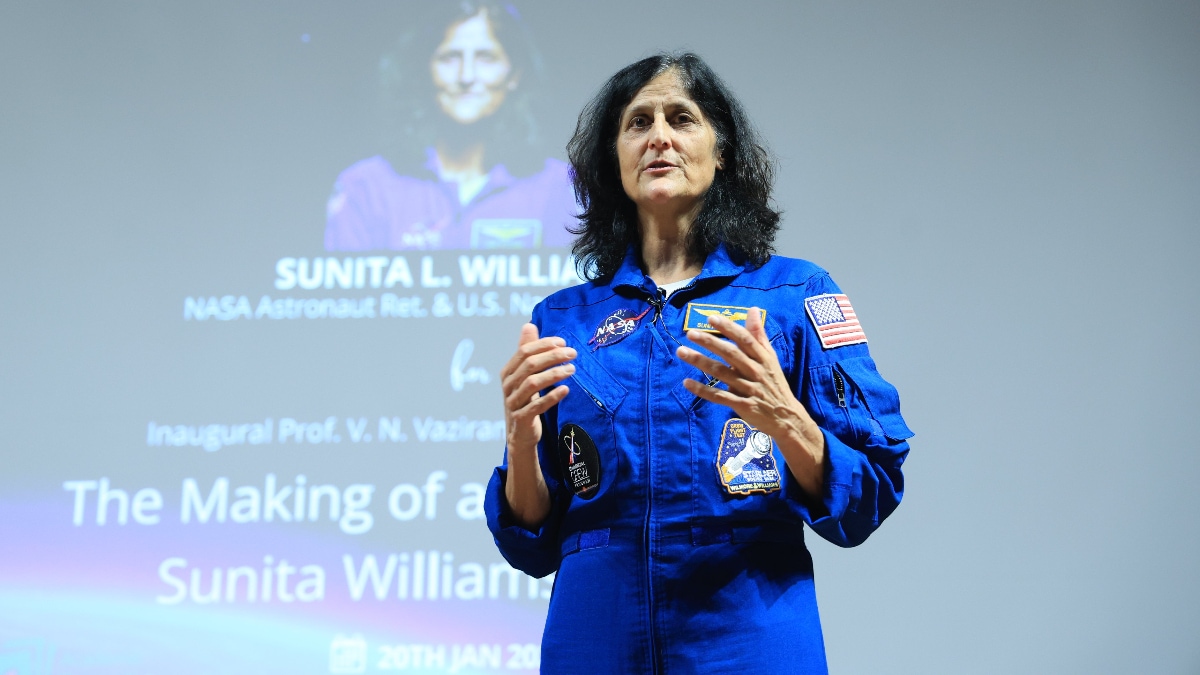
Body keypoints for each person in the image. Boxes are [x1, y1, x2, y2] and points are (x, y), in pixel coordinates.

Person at [485, 52, 914, 674]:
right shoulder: (562, 318)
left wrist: (786, 418)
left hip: (745, 630)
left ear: (723, 154)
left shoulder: (794, 295)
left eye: (681, 118)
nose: (658, 136)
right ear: (614, 161)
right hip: (595, 634)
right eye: (637, 123)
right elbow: (531, 541)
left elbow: (872, 489)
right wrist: (522, 444)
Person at [324, 2, 576, 251]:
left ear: (514, 75)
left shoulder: (559, 187)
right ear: (424, 71)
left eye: (485, 58)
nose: (466, 76)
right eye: (450, 57)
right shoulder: (365, 187)